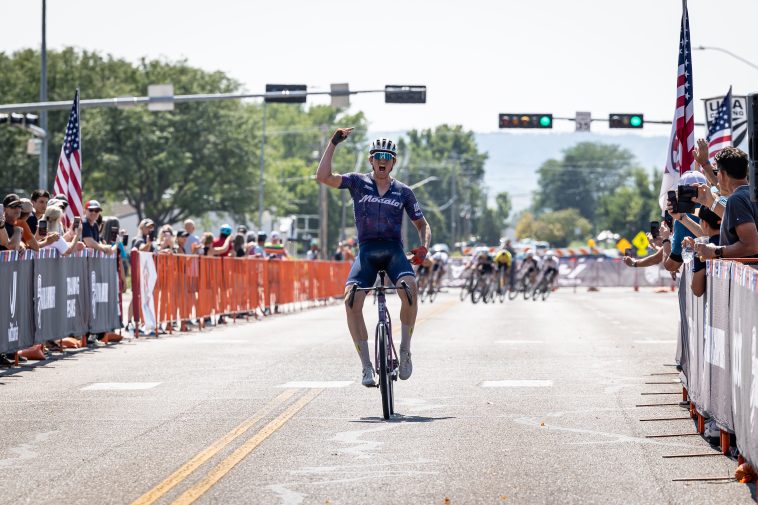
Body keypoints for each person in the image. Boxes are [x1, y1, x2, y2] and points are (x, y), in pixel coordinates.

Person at [316, 129, 430, 387]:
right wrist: (333, 143)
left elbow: (422, 224)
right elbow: (323, 177)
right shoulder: (357, 182)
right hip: (367, 251)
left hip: (393, 251)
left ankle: (405, 350)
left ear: (393, 162)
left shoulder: (403, 191)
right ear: (370, 160)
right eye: (378, 155)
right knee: (350, 300)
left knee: (410, 288)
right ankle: (366, 366)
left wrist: (423, 247)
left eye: (387, 157)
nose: (382, 160)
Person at [694, 147, 758, 260]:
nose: (716, 176)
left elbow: (752, 245)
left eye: (717, 172)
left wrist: (715, 251)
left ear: (722, 174)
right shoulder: (750, 195)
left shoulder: (736, 199)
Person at [683, 206, 722, 297]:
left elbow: (697, 290)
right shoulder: (736, 242)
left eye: (700, 220)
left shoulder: (703, 251)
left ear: (704, 224)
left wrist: (696, 253)